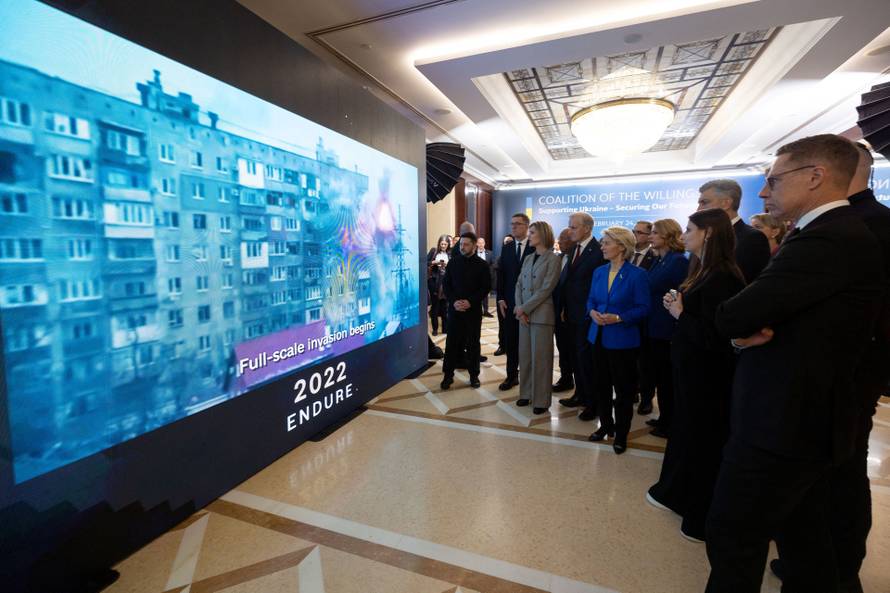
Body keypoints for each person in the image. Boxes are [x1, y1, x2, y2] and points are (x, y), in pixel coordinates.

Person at [704, 135, 885, 593]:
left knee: (733, 536)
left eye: (773, 180)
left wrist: (751, 327)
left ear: (815, 177)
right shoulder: (827, 233)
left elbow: (733, 314)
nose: (764, 192)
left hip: (783, 423)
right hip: (805, 417)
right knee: (806, 541)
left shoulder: (829, 237)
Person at [771, 140, 890, 593]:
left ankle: (838, 573)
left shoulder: (867, 225)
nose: (772, 190)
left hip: (843, 378)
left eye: (782, 178)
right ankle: (812, 564)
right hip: (814, 377)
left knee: (839, 479)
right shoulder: (838, 225)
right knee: (811, 481)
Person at [646, 209, 744, 542]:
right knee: (687, 434)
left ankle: (697, 510)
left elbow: (719, 334)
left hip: (707, 375)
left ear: (709, 233)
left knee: (703, 441)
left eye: (690, 229)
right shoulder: (704, 270)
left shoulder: (723, 275)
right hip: (691, 369)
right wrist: (679, 305)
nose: (684, 235)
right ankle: (677, 493)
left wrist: (679, 312)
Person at [586, 226, 650, 454]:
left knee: (623, 391)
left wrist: (619, 317)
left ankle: (621, 434)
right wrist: (592, 313)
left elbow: (644, 308)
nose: (602, 246)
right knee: (600, 386)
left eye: (606, 243)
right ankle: (605, 425)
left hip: (623, 340)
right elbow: (591, 300)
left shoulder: (638, 275)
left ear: (621, 246)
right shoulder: (599, 271)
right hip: (598, 336)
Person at [638, 219, 688, 428]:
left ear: (667, 235)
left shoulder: (678, 261)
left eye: (655, 233)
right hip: (654, 324)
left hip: (667, 327)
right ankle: (664, 417)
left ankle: (669, 421)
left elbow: (679, 293)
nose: (651, 236)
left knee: (666, 378)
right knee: (658, 374)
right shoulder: (659, 259)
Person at [556, 212, 605, 421]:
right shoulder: (573, 249)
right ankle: (580, 393)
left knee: (588, 361)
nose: (570, 230)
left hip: (588, 315)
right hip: (571, 314)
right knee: (576, 358)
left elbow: (598, 286)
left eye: (574, 227)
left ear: (586, 228)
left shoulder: (598, 251)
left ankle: (592, 403)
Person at [515, 221, 562, 414]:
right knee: (525, 357)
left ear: (542, 235)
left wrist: (524, 308)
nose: (529, 234)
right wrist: (519, 308)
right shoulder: (527, 258)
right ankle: (525, 393)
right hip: (524, 316)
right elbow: (518, 284)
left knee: (541, 359)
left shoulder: (553, 259)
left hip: (542, 315)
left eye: (532, 232)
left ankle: (541, 400)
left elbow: (546, 289)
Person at [441, 232, 491, 391]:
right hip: (455, 310)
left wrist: (470, 302)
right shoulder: (453, 263)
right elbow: (447, 285)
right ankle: (448, 375)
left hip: (473, 311)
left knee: (473, 344)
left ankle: (474, 375)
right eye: (461, 244)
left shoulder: (482, 265)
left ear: (474, 246)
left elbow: (485, 287)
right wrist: (454, 301)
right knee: (451, 344)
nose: (462, 247)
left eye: (466, 244)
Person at [697, 179, 771, 283]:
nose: (698, 209)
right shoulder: (704, 236)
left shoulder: (752, 238)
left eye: (704, 202)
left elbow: (749, 282)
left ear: (726, 203)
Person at [496, 213, 533, 390]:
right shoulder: (507, 247)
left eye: (517, 224)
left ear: (527, 226)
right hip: (510, 303)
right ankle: (511, 376)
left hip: (531, 304)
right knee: (511, 342)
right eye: (512, 224)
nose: (513, 227)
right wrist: (501, 298)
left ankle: (529, 379)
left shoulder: (535, 247)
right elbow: (501, 274)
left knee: (528, 344)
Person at [552, 227, 576, 393]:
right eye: (559, 239)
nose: (560, 243)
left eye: (564, 240)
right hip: (557, 313)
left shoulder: (578, 259)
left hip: (572, 313)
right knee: (562, 347)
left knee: (574, 350)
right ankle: (566, 378)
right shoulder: (558, 258)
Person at [493, 234, 513, 357]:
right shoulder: (500, 258)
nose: (508, 244)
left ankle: (512, 346)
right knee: (502, 323)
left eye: (510, 242)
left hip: (514, 296)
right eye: (506, 242)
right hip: (501, 296)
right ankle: (502, 345)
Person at [426, 235, 450, 335]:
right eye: (442, 244)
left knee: (445, 306)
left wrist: (448, 264)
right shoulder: (433, 251)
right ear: (439, 244)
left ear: (448, 245)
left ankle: (445, 329)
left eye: (445, 244)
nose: (443, 246)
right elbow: (425, 262)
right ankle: (435, 329)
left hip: (446, 282)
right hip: (434, 281)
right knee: (435, 306)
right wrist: (434, 262)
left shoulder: (450, 254)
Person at [476, 237, 495, 317]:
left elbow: (493, 264)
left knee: (485, 295)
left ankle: (486, 311)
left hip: (485, 277)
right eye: (479, 243)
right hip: (475, 278)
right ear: (476, 244)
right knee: (476, 294)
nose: (480, 244)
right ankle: (477, 311)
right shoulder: (473, 253)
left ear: (484, 244)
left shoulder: (489, 253)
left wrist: (488, 271)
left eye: (482, 243)